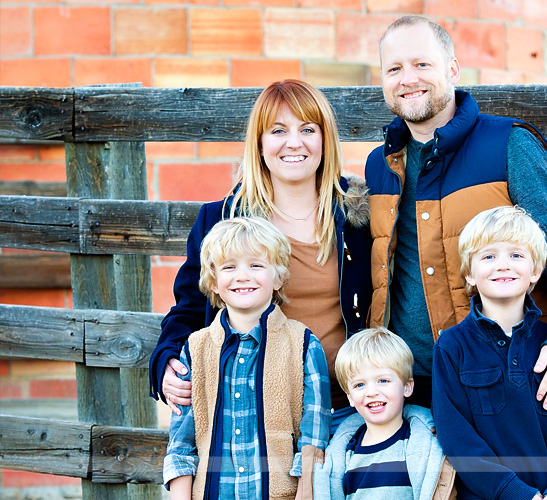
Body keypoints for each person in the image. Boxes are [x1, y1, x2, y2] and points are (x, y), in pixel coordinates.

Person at [366, 15, 547, 410]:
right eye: (395, 68)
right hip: (408, 388)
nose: (408, 79)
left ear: (452, 69)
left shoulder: (510, 144)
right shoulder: (379, 165)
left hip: (500, 376)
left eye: (422, 64)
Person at [149, 80, 372, 427]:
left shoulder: (359, 217)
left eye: (308, 129)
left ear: (325, 140)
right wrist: (164, 362)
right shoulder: (222, 219)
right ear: (260, 143)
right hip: (255, 410)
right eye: (278, 130)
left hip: (353, 407)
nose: (294, 143)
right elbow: (191, 307)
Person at [163, 217, 331, 500]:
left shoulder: (302, 344)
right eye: (229, 267)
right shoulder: (196, 348)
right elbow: (181, 443)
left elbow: (314, 437)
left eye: (256, 265)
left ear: (277, 277)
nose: (242, 276)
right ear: (213, 282)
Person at [432, 206, 547, 500]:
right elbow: (458, 439)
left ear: (535, 271)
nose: (503, 265)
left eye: (516, 255)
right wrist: (516, 494)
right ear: (469, 273)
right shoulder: (452, 347)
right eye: (489, 256)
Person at [312, 327, 456, 500]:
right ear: (349, 397)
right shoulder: (344, 453)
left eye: (383, 380)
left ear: (407, 387)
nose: (371, 392)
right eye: (359, 385)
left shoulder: (421, 444)